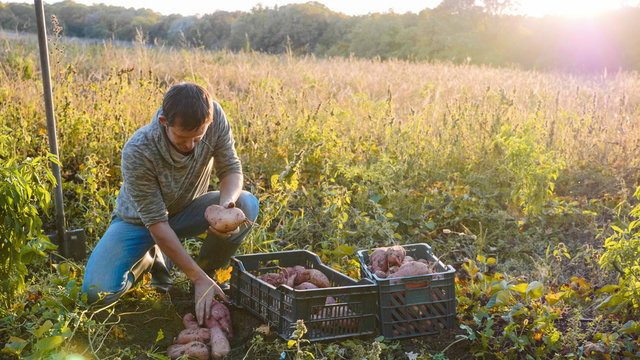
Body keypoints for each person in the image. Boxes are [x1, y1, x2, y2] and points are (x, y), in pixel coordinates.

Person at [82, 82, 258, 326]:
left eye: (198, 138)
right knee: (95, 293)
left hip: (187, 210)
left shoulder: (215, 117)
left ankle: (209, 273)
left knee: (246, 204)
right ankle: (148, 258)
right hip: (139, 223)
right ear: (165, 122)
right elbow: (156, 223)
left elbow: (231, 168)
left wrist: (225, 209)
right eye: (183, 139)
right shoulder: (139, 149)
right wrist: (194, 276)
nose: (190, 146)